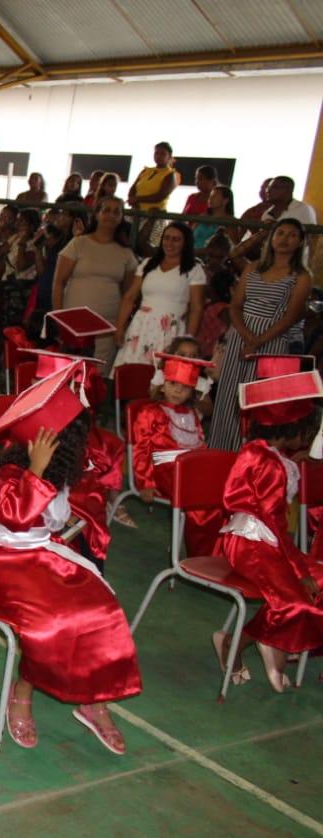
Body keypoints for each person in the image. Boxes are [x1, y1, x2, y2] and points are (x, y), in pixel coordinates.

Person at [0, 368, 141, 753]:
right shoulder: (9, 470)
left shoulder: (59, 470)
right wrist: (35, 470)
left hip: (40, 554)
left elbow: (59, 514)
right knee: (50, 624)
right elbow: (14, 514)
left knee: (102, 609)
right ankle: (23, 691)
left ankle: (93, 700)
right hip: (2, 562)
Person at [212, 363, 323, 692]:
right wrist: (300, 568)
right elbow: (275, 522)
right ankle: (240, 642)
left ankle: (264, 643)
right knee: (297, 601)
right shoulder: (269, 464)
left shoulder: (264, 453)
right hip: (253, 545)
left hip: (264, 541)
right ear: (295, 429)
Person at [209, 219, 314, 450]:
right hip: (241, 336)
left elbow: (291, 317)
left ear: (300, 242)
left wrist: (258, 341)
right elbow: (236, 305)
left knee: (260, 401)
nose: (285, 239)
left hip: (273, 340)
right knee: (229, 395)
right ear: (271, 237)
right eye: (280, 233)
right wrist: (246, 336)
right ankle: (221, 450)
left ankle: (252, 455)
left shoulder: (301, 276)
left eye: (292, 235)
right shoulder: (252, 267)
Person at [132, 351, 222, 557]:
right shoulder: (149, 412)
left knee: (220, 496)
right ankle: (202, 558)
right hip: (164, 470)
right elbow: (141, 449)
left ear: (192, 391)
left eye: (184, 387)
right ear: (163, 384)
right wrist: (145, 483)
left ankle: (219, 554)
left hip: (190, 470)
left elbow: (200, 446)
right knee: (200, 505)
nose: (178, 391)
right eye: (173, 384)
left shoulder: (192, 415)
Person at [51, 196, 138, 365]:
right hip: (73, 324)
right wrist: (58, 318)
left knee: (97, 377)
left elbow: (128, 294)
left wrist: (121, 325)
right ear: (96, 214)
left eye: (116, 212)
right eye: (106, 210)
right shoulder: (78, 243)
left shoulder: (125, 253)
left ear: (121, 218)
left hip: (106, 328)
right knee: (70, 373)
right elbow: (59, 283)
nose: (111, 215)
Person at [113, 222, 206, 367]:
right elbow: (129, 297)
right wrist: (119, 327)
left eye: (176, 239)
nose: (170, 243)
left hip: (172, 331)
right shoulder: (147, 264)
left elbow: (196, 308)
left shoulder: (194, 269)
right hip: (141, 327)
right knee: (132, 375)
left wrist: (188, 340)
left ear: (186, 243)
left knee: (162, 377)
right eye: (167, 238)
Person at [127, 142, 178, 249]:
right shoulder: (145, 171)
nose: (159, 156)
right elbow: (133, 188)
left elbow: (161, 195)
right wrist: (132, 200)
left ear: (169, 157)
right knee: (126, 240)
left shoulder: (170, 174)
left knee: (146, 246)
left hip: (155, 215)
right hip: (137, 212)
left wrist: (138, 199)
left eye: (163, 154)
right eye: (156, 153)